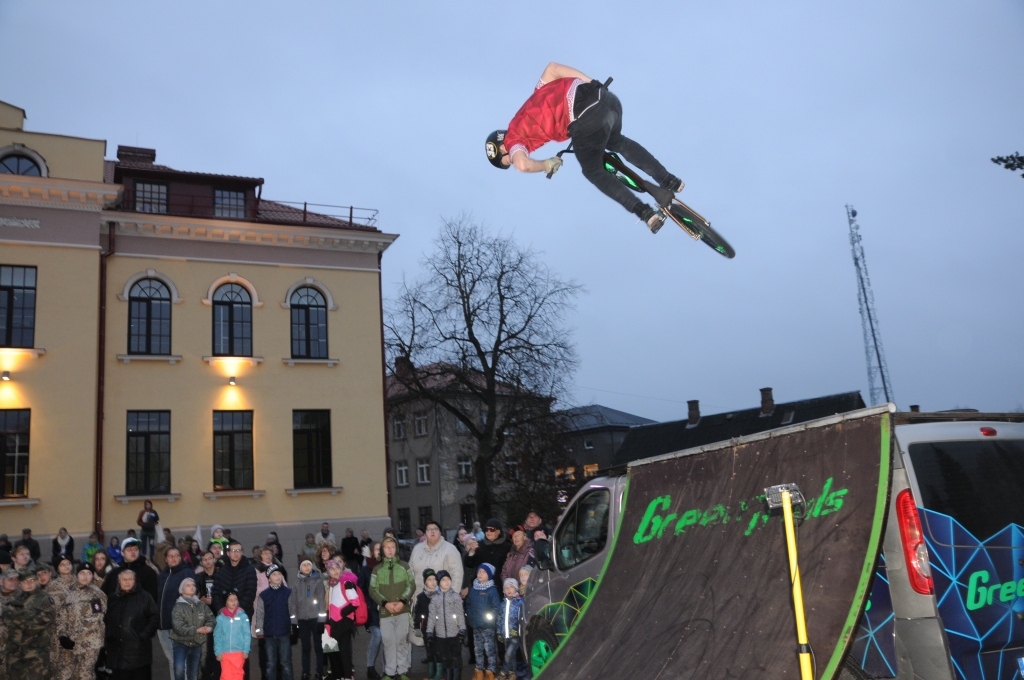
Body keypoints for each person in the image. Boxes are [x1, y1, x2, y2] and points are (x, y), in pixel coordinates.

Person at [486, 63, 685, 233]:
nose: (511, 158)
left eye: (507, 158)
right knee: (617, 142)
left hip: (585, 118)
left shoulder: (514, 138)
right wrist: (592, 83)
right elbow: (552, 68)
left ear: (503, 146)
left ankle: (644, 212)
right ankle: (669, 180)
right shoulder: (537, 96)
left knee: (593, 170)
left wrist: (547, 164)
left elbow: (522, 165)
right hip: (606, 99)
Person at [51, 563, 107, 680]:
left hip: (89, 643)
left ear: (92, 576)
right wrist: (62, 635)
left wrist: (72, 637)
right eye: (82, 573)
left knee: (84, 674)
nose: (85, 576)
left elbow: (93, 620)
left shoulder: (97, 595)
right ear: (77, 575)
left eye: (89, 573)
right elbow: (62, 616)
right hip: (71, 642)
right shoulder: (71, 593)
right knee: (66, 674)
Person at [369, 535, 414, 680]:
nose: (390, 550)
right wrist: (385, 603)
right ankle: (389, 672)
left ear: (396, 549)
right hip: (385, 612)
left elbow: (411, 585)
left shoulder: (405, 566)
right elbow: (372, 590)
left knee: (402, 640)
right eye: (387, 547)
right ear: (382, 550)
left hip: (402, 610)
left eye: (392, 547)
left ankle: (403, 671)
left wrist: (402, 601)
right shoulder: (377, 569)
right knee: (388, 642)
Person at [211, 541, 257, 678]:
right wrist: (221, 609)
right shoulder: (222, 571)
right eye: (233, 550)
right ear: (228, 553)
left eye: (238, 550)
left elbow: (250, 592)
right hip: (224, 617)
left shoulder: (249, 570)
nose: (236, 553)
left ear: (242, 552)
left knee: (243, 652)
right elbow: (216, 592)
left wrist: (237, 609)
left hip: (242, 616)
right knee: (224, 657)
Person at [103, 569, 159, 680]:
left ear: (135, 581)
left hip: (139, 653)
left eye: (130, 579)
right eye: (124, 579)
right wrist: (107, 641)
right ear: (119, 582)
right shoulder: (112, 599)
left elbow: (154, 617)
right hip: (117, 654)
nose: (127, 582)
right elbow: (106, 622)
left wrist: (143, 636)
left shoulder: (145, 597)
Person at [2, 567, 56, 678]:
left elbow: (44, 621)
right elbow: (7, 619)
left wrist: (18, 619)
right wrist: (27, 618)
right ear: (20, 584)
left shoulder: (44, 598)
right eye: (25, 581)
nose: (29, 584)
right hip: (15, 652)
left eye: (32, 580)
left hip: (36, 653)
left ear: (36, 581)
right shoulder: (14, 599)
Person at [325, 562, 368, 680]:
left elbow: (355, 602)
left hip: (345, 622)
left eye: (337, 568)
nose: (335, 571)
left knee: (344, 650)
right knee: (334, 650)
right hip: (333, 622)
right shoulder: (330, 585)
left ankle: (348, 675)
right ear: (328, 572)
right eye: (332, 569)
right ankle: (338, 674)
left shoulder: (346, 583)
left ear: (341, 569)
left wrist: (344, 612)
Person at [157, 547, 194, 679]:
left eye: (176, 555)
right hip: (163, 625)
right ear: (166, 559)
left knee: (180, 660)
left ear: (180, 557)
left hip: (179, 626)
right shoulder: (162, 576)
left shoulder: (186, 573)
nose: (173, 558)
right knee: (172, 659)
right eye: (170, 556)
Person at [253, 565, 294, 680]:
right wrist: (260, 633)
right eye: (274, 574)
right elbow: (260, 615)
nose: (277, 576)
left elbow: (292, 612)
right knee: (270, 664)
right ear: (269, 578)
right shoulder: (264, 595)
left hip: (284, 633)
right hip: (269, 634)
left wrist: (292, 629)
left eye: (279, 574)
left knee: (286, 662)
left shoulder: (288, 592)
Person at [170, 577, 215, 680]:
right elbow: (178, 627)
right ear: (182, 590)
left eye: (193, 585)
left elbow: (211, 618)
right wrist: (197, 630)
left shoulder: (201, 605)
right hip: (180, 643)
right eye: (188, 585)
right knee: (179, 668)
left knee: (193, 673)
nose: (192, 587)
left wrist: (209, 627)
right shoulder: (177, 607)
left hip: (196, 643)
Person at [409, 521, 465, 602]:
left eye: (435, 529)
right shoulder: (417, 549)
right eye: (429, 529)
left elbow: (457, 574)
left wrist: (452, 596)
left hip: (442, 599)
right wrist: (410, 594)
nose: (432, 531)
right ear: (425, 534)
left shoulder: (450, 549)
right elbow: (410, 572)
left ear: (440, 532)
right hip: (419, 598)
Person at [289, 559, 326, 680]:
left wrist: (321, 621)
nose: (306, 567)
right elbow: (293, 603)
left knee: (318, 646)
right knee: (305, 647)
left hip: (315, 618)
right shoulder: (296, 583)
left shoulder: (318, 581)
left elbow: (321, 602)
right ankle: (305, 672)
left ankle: (319, 671)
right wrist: (294, 623)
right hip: (302, 619)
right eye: (303, 565)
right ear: (300, 568)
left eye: (308, 565)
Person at [427, 570, 466, 680]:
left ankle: (457, 677)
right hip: (441, 635)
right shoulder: (435, 598)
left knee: (456, 658)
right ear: (439, 582)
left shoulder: (455, 597)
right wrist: (429, 632)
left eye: (448, 579)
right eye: (443, 580)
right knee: (446, 658)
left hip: (454, 633)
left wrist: (462, 629)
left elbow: (460, 614)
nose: (446, 582)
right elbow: (432, 616)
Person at [466, 564, 500, 680]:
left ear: (489, 575)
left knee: (489, 650)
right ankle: (479, 671)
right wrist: (470, 617)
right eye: (479, 571)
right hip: (475, 625)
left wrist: (489, 618)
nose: (480, 574)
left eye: (483, 572)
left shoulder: (492, 590)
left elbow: (496, 607)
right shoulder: (474, 589)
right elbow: (469, 604)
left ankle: (491, 671)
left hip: (488, 626)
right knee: (478, 650)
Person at [102, 537, 159, 604]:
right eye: (129, 549)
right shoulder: (114, 574)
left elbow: (153, 598)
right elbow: (105, 595)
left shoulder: (149, 573)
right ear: (122, 553)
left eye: (135, 549)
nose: (133, 552)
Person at [358, 543, 383, 680]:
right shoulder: (365, 569)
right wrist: (368, 604)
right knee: (377, 635)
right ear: (372, 551)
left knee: (387, 639)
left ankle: (389, 669)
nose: (379, 551)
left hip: (386, 609)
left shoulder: (387, 566)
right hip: (371, 610)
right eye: (377, 549)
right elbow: (360, 588)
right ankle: (370, 667)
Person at [213, 592, 250, 680]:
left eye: (235, 599)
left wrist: (246, 650)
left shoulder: (243, 617)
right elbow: (217, 635)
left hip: (239, 652)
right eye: (230, 600)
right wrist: (218, 652)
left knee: (238, 674)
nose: (233, 602)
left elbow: (247, 634)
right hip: (225, 652)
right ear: (225, 602)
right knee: (226, 675)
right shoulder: (220, 619)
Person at [414, 569, 443, 680]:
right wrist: (417, 627)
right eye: (429, 579)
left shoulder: (441, 594)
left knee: (439, 650)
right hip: (427, 628)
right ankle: (431, 672)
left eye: (434, 579)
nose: (432, 582)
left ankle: (440, 673)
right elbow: (417, 612)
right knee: (430, 649)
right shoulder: (421, 597)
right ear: (425, 582)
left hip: (440, 628)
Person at [497, 580, 523, 680]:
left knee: (508, 655)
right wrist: (499, 632)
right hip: (506, 634)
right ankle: (512, 673)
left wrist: (517, 629)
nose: (509, 590)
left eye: (511, 587)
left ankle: (503, 673)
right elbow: (499, 619)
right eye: (506, 588)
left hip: (515, 635)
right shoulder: (503, 604)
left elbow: (522, 618)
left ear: (515, 589)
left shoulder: (519, 602)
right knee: (511, 656)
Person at [474, 520, 511, 586]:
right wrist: (471, 553)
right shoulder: (480, 545)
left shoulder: (507, 546)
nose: (488, 532)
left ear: (498, 532)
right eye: (486, 529)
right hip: (483, 584)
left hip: (501, 584)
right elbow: (470, 564)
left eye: (491, 530)